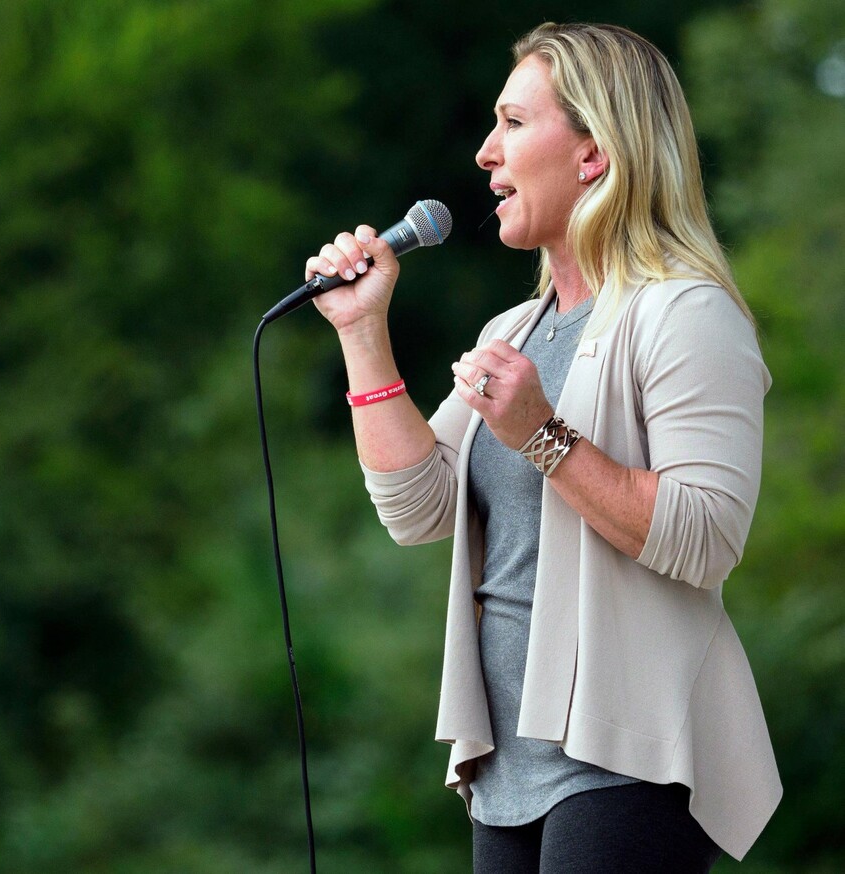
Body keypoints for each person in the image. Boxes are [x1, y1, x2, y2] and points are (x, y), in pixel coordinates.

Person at [304, 22, 780, 872]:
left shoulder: (685, 312)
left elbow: (706, 536)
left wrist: (542, 436)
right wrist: (362, 332)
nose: (485, 153)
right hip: (508, 771)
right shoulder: (514, 330)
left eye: (514, 124)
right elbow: (417, 509)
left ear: (594, 154)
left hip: (631, 761)